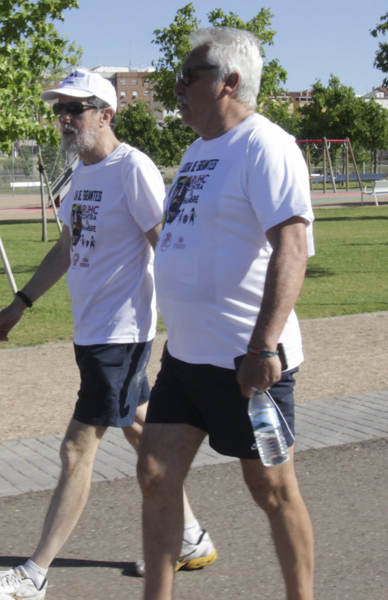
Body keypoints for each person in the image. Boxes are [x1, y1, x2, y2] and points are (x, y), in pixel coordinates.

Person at [0, 69, 215, 600]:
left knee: (77, 449)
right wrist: (20, 304)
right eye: (60, 110)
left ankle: (34, 575)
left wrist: (190, 317)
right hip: (93, 332)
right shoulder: (81, 175)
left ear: (106, 113)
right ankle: (190, 538)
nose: (64, 119)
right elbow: (65, 249)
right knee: (137, 426)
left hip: (120, 335)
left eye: (75, 109)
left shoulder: (133, 169)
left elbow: (162, 243)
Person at [137, 28, 316, 600]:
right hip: (187, 361)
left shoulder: (266, 147)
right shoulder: (196, 152)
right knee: (157, 474)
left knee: (272, 489)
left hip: (248, 367)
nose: (178, 87)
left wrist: (263, 347)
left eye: (188, 76)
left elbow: (292, 247)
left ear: (229, 82)